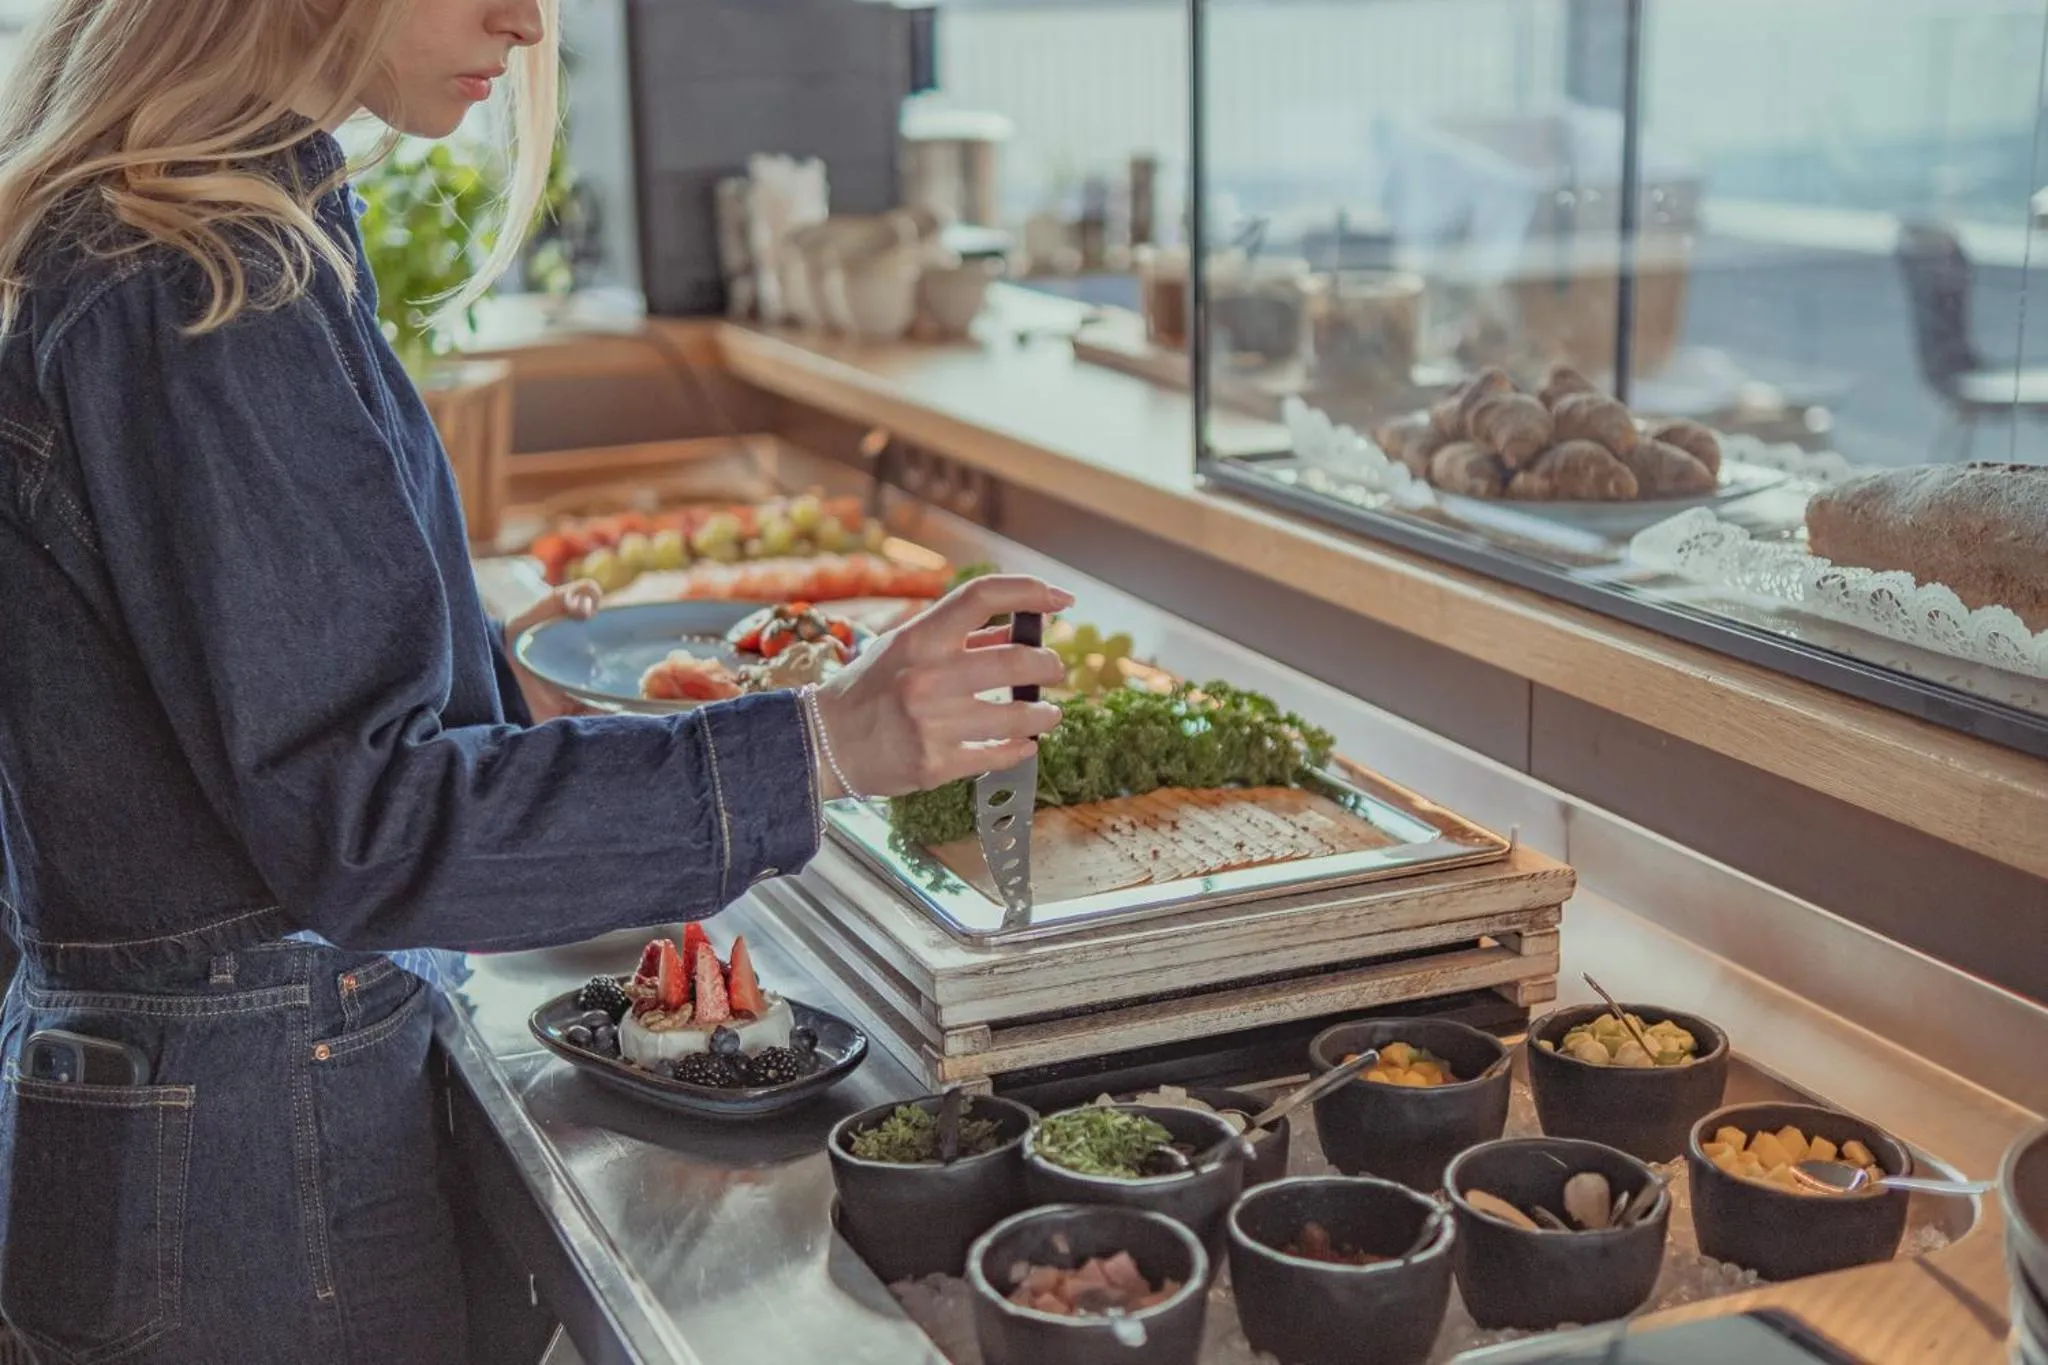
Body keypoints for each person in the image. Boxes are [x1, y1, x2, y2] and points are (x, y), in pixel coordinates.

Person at [0, 1, 1068, 1360]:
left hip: (213, 1125)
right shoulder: (201, 278)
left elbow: (220, 704)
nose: (525, 21)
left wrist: (480, 693)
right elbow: (371, 831)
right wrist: (824, 743)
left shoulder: (188, 226)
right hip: (251, 1159)